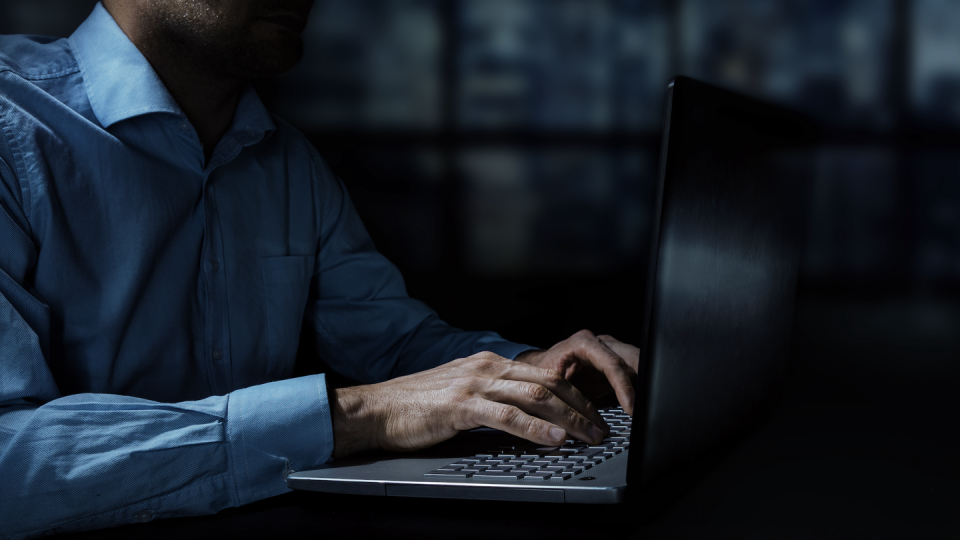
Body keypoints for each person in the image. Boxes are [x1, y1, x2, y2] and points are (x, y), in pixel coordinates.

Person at [0, 1, 639, 537]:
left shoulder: (288, 163)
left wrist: (536, 373)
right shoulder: (10, 124)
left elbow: (396, 346)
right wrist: (355, 415)